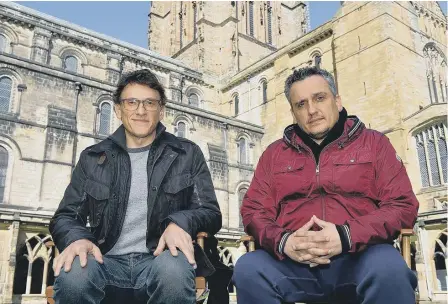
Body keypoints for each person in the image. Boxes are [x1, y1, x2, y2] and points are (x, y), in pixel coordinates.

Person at [233, 67, 419, 304]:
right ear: (293, 113)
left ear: (337, 101)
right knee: (249, 268)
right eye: (301, 105)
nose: (311, 110)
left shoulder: (374, 144)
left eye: (319, 98)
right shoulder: (273, 155)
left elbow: (403, 206)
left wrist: (346, 235)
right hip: (292, 264)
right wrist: (284, 241)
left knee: (390, 268)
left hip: (361, 258)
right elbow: (253, 211)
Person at [49, 69, 222, 304]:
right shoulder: (92, 157)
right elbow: (66, 216)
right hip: (104, 259)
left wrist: (179, 223)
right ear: (119, 110)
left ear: (161, 111)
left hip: (160, 257)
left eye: (149, 103)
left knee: (173, 272)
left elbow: (210, 213)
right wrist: (78, 238)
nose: (141, 110)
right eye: (132, 102)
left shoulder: (186, 153)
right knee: (74, 276)